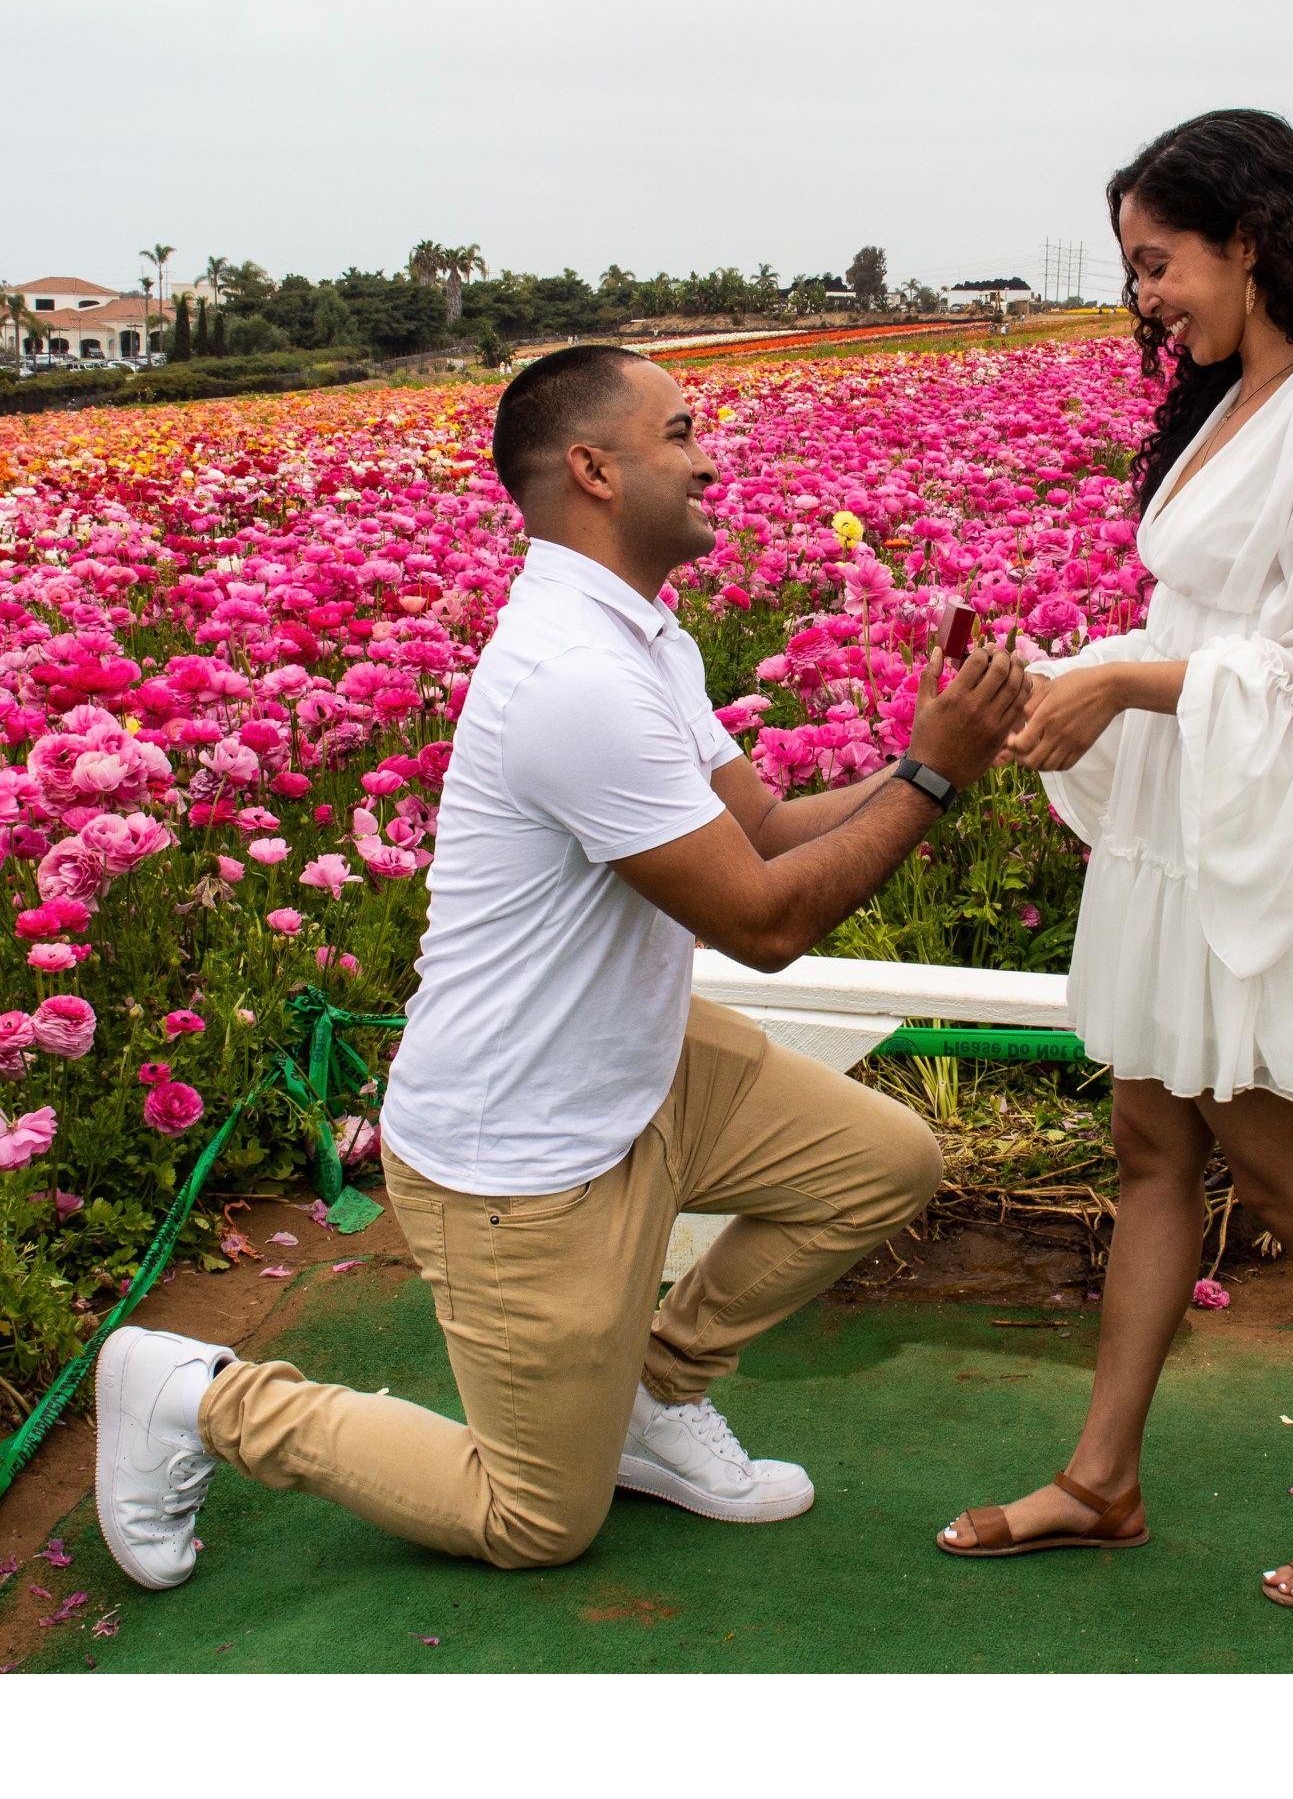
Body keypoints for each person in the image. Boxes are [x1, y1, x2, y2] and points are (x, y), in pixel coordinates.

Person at [95, 345, 1030, 1588]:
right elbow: (759, 921)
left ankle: (652, 1393)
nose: (711, 456)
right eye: (682, 430)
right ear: (593, 468)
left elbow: (761, 832)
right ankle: (200, 1394)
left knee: (882, 1162)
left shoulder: (637, 637)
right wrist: (930, 773)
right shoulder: (575, 675)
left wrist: (954, 748)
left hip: (634, 1071)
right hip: (518, 1143)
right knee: (535, 1518)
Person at [937, 110, 1293, 1611]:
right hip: (1184, 818)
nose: (1143, 297)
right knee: (1150, 1146)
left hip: (1262, 826)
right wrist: (1058, 676)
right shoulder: (1222, 400)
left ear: (1248, 238)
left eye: (1157, 260)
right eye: (1129, 270)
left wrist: (1120, 689)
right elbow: (1195, 636)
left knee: (1290, 1170)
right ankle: (1101, 1476)